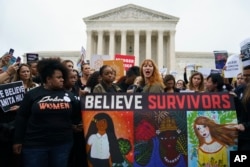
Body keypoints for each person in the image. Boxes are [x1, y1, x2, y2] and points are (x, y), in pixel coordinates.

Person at [13, 58, 80, 167]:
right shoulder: (32, 94)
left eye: (63, 77)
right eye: (58, 77)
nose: (62, 80)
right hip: (35, 146)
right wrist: (18, 140)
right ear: (48, 78)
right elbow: (22, 117)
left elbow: (77, 115)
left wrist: (76, 125)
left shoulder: (69, 95)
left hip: (62, 144)